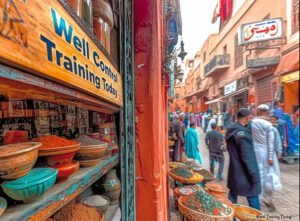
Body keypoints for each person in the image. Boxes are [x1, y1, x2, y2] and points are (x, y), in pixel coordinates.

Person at [226, 108, 261, 210]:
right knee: (253, 196)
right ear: (246, 117)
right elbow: (247, 157)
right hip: (245, 173)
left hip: (234, 171)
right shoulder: (242, 136)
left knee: (233, 195)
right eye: (250, 116)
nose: (251, 119)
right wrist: (254, 175)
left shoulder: (232, 130)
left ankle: (230, 217)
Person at [251, 104, 281, 212]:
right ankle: (266, 198)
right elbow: (270, 142)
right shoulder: (268, 124)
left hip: (255, 153)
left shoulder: (252, 122)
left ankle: (258, 199)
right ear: (265, 112)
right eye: (267, 112)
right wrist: (270, 157)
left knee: (259, 175)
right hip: (267, 153)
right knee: (269, 176)